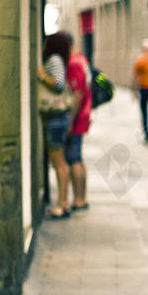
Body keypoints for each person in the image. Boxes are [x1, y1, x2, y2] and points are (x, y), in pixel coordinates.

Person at [37, 32, 73, 219]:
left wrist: (42, 76)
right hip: (56, 117)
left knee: (59, 161)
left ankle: (62, 204)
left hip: (55, 117)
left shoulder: (54, 59)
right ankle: (63, 203)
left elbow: (58, 84)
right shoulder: (57, 59)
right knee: (58, 160)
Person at [62, 32, 92, 212]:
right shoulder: (81, 59)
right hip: (83, 115)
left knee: (74, 158)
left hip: (77, 117)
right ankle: (82, 197)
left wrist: (70, 121)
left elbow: (77, 94)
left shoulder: (73, 62)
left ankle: (79, 199)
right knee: (77, 157)